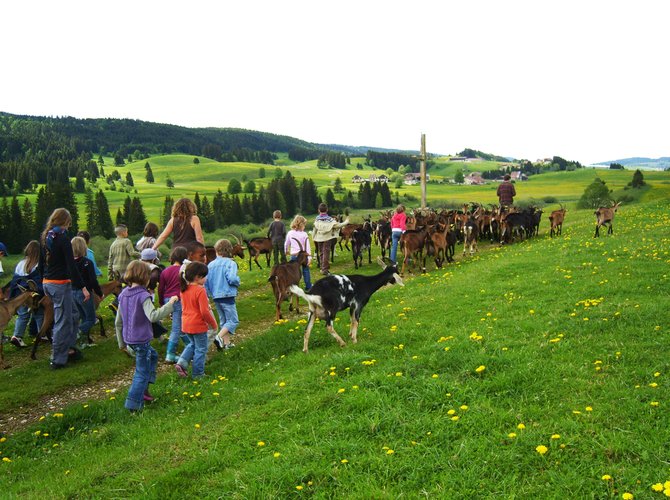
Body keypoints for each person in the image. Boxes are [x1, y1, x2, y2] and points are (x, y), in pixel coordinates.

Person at [116, 260, 178, 412]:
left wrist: (121, 343)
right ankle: (133, 404)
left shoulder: (123, 294)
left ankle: (143, 389)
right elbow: (153, 316)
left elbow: (118, 321)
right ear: (145, 277)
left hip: (130, 339)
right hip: (141, 340)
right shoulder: (144, 296)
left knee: (154, 355)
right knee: (141, 372)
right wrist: (170, 304)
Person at [39, 208, 90, 370]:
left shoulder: (46, 237)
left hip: (48, 282)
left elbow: (42, 263)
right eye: (69, 223)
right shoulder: (62, 239)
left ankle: (69, 347)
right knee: (62, 321)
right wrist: (83, 287)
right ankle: (58, 358)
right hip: (59, 284)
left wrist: (43, 281)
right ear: (65, 222)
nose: (69, 226)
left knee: (73, 314)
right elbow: (72, 266)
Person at [175, 262, 217, 379]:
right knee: (201, 349)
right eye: (205, 276)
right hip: (198, 325)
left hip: (186, 324)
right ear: (198, 277)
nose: (206, 278)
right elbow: (204, 311)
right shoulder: (200, 290)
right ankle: (198, 374)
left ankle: (181, 363)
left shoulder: (184, 289)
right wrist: (213, 324)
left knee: (192, 344)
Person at [206, 239, 240, 351]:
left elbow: (207, 282)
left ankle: (227, 344)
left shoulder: (210, 265)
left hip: (216, 296)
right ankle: (218, 337)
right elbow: (232, 278)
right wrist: (237, 282)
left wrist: (209, 294)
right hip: (227, 295)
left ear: (216, 250)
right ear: (229, 250)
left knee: (224, 320)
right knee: (233, 320)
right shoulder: (231, 263)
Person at [9, 240, 44, 348]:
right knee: (39, 313)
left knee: (23, 315)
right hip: (32, 295)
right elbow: (40, 282)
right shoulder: (38, 265)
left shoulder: (20, 264)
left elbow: (14, 281)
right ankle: (42, 334)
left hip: (20, 294)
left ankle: (17, 336)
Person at [72, 236, 103, 349]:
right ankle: (76, 333)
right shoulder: (87, 262)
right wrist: (99, 293)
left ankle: (83, 343)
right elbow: (93, 281)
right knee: (91, 319)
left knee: (83, 317)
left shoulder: (69, 263)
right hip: (84, 294)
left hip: (72, 292)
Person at [158, 246, 189, 363]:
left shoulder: (165, 271)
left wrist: (162, 302)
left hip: (167, 300)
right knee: (176, 328)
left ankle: (190, 347)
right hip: (179, 300)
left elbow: (161, 288)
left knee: (179, 326)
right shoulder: (184, 270)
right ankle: (170, 354)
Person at [312, 203, 348, 275]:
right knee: (326, 253)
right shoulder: (330, 219)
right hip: (327, 238)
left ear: (319, 210)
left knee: (321, 253)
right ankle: (325, 270)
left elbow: (315, 229)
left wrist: (313, 237)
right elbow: (338, 225)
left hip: (319, 238)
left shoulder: (317, 219)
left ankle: (323, 268)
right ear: (327, 210)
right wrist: (346, 221)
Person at [285, 215, 313, 290]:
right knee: (306, 270)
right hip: (303, 257)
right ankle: (308, 286)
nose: (305, 226)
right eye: (304, 225)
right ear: (300, 224)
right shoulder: (304, 234)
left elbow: (286, 244)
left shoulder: (290, 233)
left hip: (294, 256)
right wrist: (309, 257)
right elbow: (307, 247)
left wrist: (286, 251)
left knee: (294, 272)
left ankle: (294, 287)